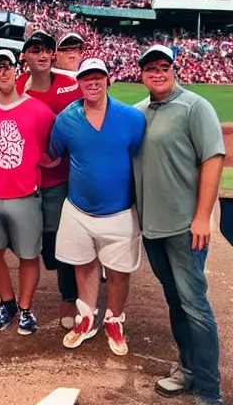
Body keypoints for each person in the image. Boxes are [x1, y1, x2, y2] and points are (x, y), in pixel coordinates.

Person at [134, 45, 225, 404]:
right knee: (175, 302)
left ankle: (208, 389)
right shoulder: (139, 113)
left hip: (186, 228)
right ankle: (187, 369)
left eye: (163, 66)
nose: (157, 73)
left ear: (174, 68)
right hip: (153, 228)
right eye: (150, 68)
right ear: (141, 73)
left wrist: (203, 216)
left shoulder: (195, 106)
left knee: (195, 307)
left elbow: (213, 159)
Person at [49, 57, 145, 356]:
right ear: (78, 82)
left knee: (118, 271)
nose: (93, 82)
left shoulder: (132, 118)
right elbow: (54, 154)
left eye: (98, 77)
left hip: (119, 211)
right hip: (78, 209)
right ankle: (86, 317)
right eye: (86, 77)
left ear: (108, 80)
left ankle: (114, 320)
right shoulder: (66, 118)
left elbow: (140, 158)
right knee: (84, 265)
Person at [0, 49, 56, 335]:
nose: (3, 72)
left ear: (17, 71)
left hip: (25, 196)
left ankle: (26, 308)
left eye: (8, 66)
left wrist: (43, 161)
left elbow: (50, 147)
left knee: (29, 255)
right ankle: (7, 302)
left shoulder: (39, 110)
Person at [15, 30, 82, 330]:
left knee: (61, 240)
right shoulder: (16, 87)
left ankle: (69, 296)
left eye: (47, 50)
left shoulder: (71, 85)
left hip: (60, 178)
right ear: (25, 55)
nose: (42, 55)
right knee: (41, 246)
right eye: (35, 49)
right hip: (26, 182)